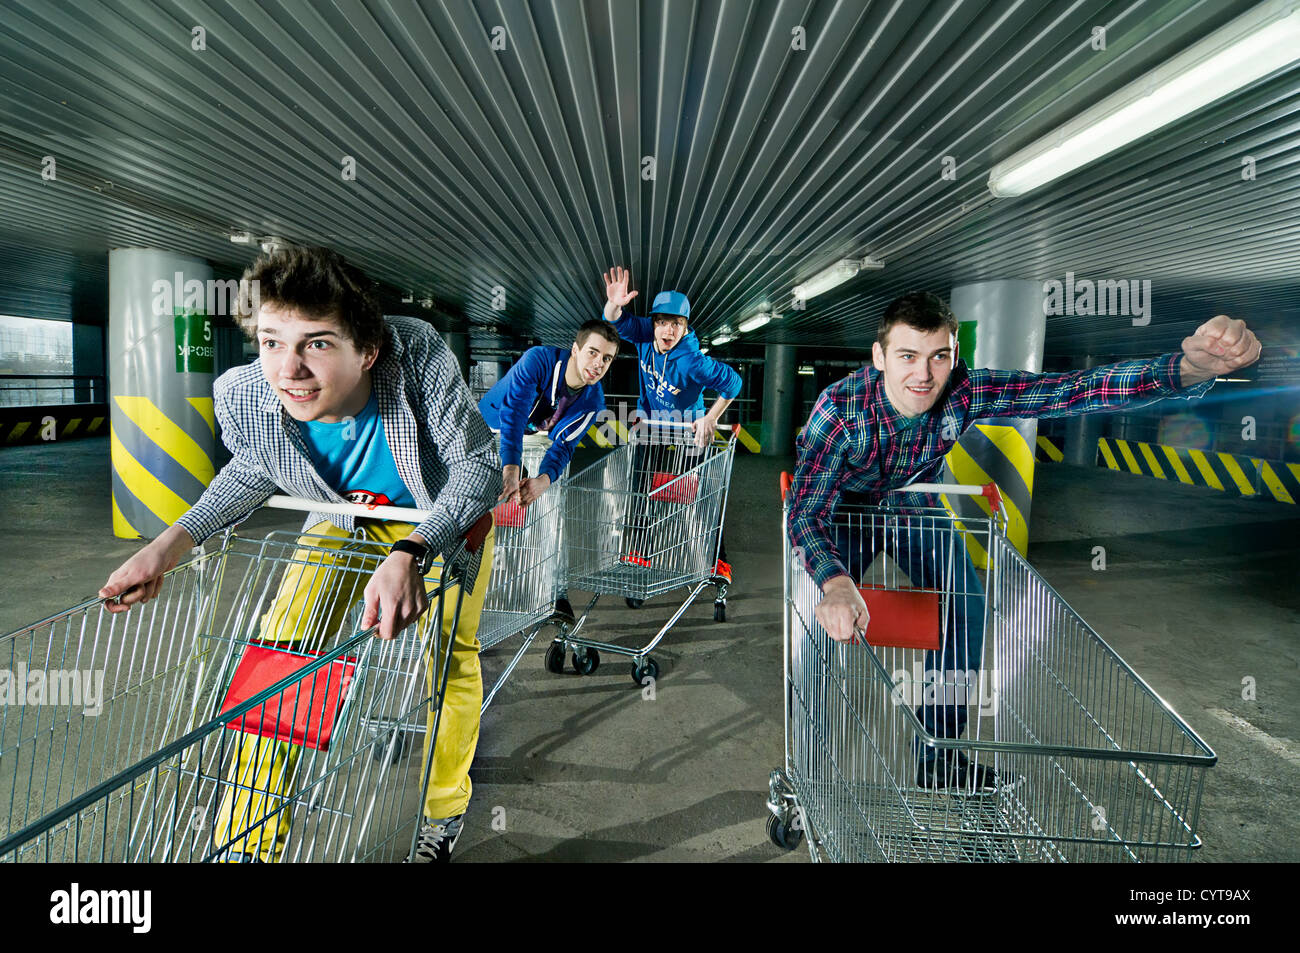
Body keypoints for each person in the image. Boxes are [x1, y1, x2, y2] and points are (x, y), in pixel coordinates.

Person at [97, 246, 502, 863]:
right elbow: (250, 473)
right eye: (269, 342)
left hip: (438, 521)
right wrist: (166, 547)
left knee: (449, 662)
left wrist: (412, 551)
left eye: (316, 344)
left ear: (365, 350)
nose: (288, 370)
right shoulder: (245, 395)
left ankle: (442, 810)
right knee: (281, 656)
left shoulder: (413, 354)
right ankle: (248, 844)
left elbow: (477, 467)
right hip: (343, 519)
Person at [788, 291, 1261, 792]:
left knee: (965, 606)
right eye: (907, 356)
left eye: (939, 356)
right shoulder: (838, 412)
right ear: (880, 357)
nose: (923, 375)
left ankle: (939, 755)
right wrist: (836, 582)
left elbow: (1074, 390)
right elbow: (806, 511)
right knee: (816, 614)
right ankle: (809, 740)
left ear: (953, 355)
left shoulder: (964, 392)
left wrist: (1185, 371)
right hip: (841, 509)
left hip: (912, 501)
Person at [600, 266, 742, 586]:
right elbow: (613, 319)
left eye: (676, 323)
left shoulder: (691, 360)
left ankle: (718, 560)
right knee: (638, 487)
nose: (667, 330)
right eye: (662, 322)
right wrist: (614, 303)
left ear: (685, 327)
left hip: (688, 429)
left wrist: (710, 418)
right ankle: (639, 550)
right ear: (654, 324)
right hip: (650, 425)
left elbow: (733, 383)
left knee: (704, 494)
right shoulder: (643, 335)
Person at [477, 319, 621, 620]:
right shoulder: (538, 361)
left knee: (549, 508)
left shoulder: (593, 400)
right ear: (575, 349)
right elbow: (513, 416)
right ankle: (471, 590)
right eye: (592, 353)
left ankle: (552, 594)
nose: (598, 364)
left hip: (537, 441)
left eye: (607, 358)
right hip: (491, 432)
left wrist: (544, 479)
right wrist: (511, 468)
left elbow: (564, 446)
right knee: (480, 512)